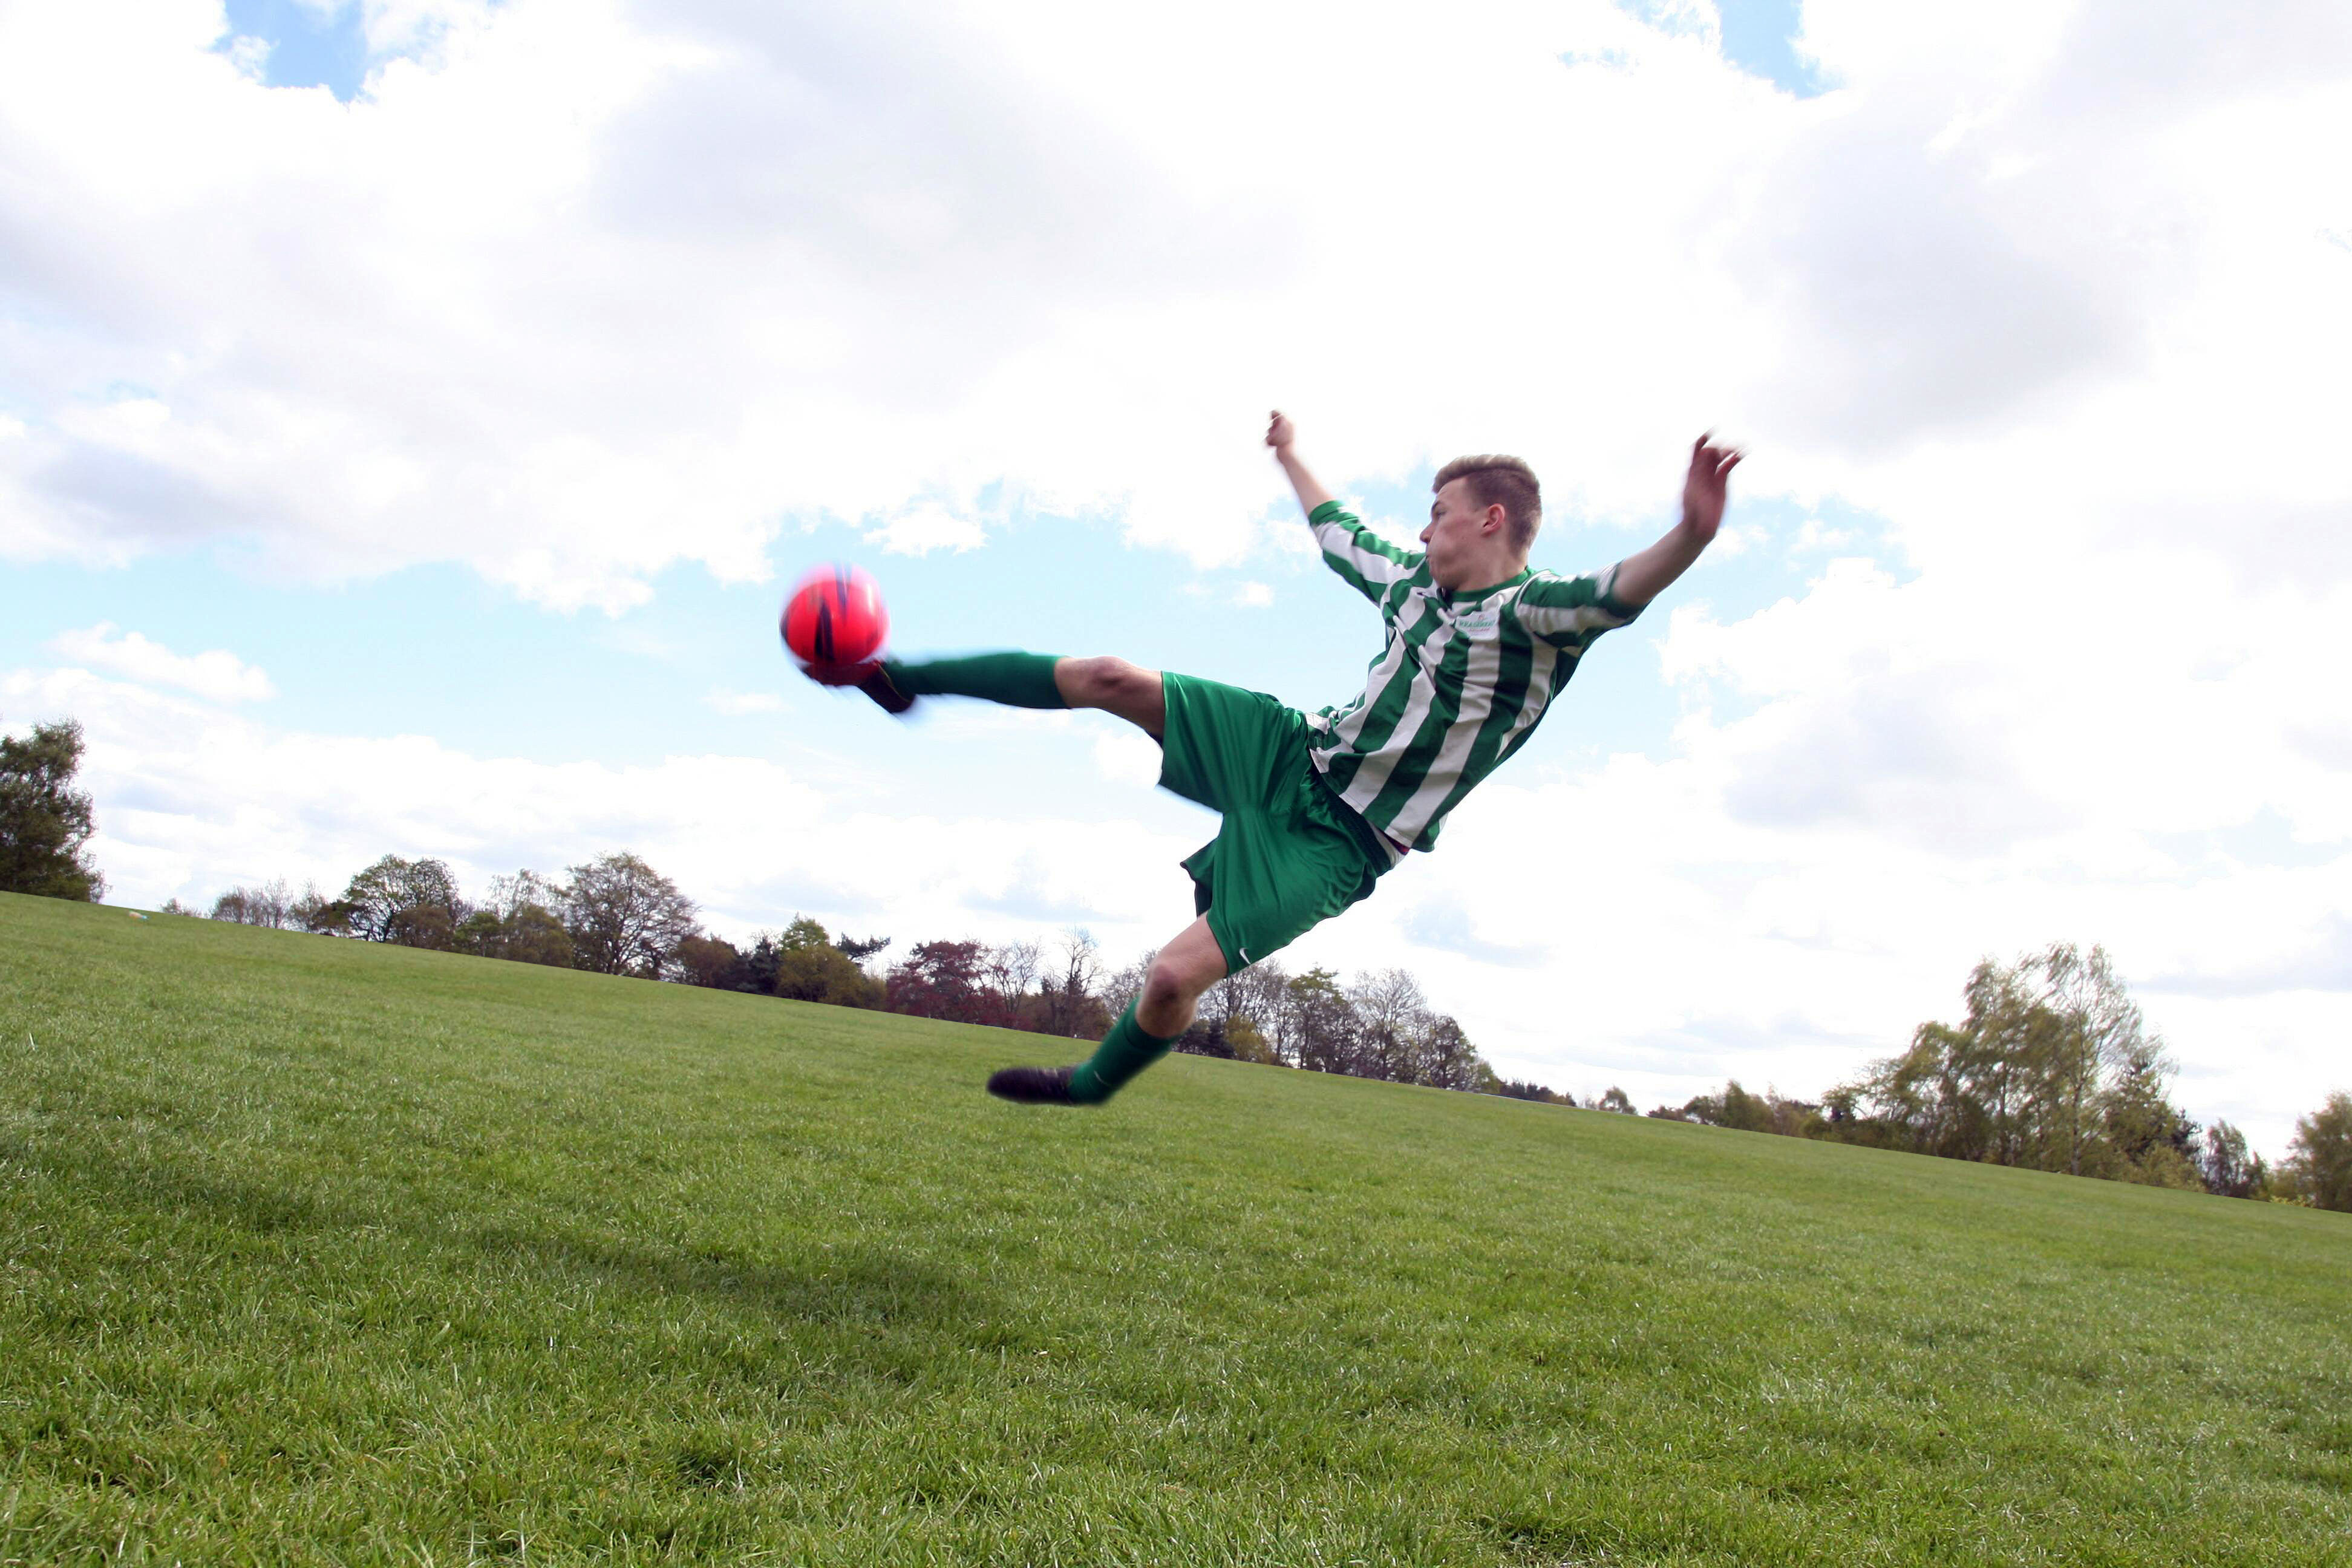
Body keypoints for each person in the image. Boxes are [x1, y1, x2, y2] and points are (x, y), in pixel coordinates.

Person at [807, 413, 1740, 1105]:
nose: (1423, 532)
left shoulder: (1535, 618)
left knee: (1171, 979)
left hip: (1342, 845)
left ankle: (1092, 1084)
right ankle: (899, 679)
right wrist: (1290, 452)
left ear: (1491, 521)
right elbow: (1336, 531)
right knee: (1109, 677)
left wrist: (1694, 532)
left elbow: (1621, 590)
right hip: (1290, 751)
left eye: (1439, 514)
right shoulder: (1410, 584)